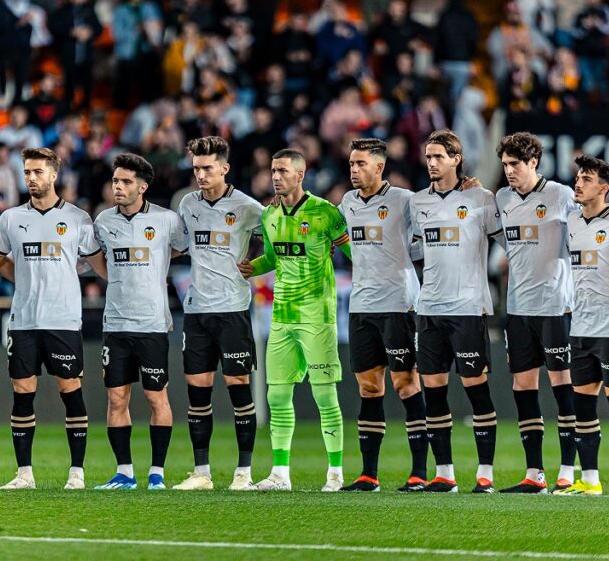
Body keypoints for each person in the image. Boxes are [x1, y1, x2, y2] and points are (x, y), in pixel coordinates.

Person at [0, 147, 106, 490]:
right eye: (27, 172)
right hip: (23, 321)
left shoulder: (78, 218)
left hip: (63, 320)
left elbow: (102, 268)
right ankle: (24, 474)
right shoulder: (11, 219)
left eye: (38, 172)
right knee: (22, 392)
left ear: (54, 174)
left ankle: (77, 473)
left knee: (70, 391)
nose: (31, 178)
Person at [238, 149, 352, 492]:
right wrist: (250, 268)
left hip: (317, 317)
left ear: (300, 175)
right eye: (273, 171)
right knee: (276, 397)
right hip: (282, 318)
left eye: (283, 171)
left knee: (325, 396)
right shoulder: (270, 214)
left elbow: (356, 253)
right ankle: (280, 474)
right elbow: (273, 258)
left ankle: (335, 473)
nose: (276, 177)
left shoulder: (325, 212)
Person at [408, 130, 501, 493]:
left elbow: (505, 241)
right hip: (429, 308)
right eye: (428, 157)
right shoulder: (418, 202)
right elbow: (417, 249)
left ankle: (485, 473)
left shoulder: (480, 198)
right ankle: (444, 473)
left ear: (456, 159)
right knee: (433, 391)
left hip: (468, 308)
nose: (431, 163)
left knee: (476, 389)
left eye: (438, 157)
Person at [336, 138, 427, 493]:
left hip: (398, 305)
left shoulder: (405, 201)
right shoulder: (348, 202)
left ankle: (419, 472)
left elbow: (430, 233)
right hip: (361, 307)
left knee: (406, 384)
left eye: (361, 164)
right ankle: (368, 475)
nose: (354, 170)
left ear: (379, 166)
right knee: (369, 387)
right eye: (351, 164)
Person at [172, 137, 263, 491]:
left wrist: (257, 265)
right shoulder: (187, 204)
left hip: (233, 309)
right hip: (197, 311)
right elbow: (180, 245)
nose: (200, 174)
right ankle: (202, 473)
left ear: (224, 168)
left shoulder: (247, 207)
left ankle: (243, 473)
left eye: (207, 168)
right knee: (198, 392)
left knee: (238, 389)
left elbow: (276, 238)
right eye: (196, 168)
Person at [91, 153, 187, 491]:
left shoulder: (166, 220)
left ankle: (157, 473)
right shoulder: (103, 221)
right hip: (116, 325)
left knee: (156, 397)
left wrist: (157, 263)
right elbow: (96, 258)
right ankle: (124, 473)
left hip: (152, 324)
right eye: (115, 180)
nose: (118, 186)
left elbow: (181, 248)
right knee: (117, 398)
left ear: (142, 187)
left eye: (126, 181)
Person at [494, 132, 578, 494]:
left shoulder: (561, 195)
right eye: (505, 165)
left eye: (515, 164)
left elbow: (588, 226)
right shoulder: (502, 199)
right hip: (518, 309)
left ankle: (569, 470)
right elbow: (505, 243)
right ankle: (534, 473)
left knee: (562, 385)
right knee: (523, 387)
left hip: (555, 307)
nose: (509, 171)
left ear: (533, 162)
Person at [554, 155, 609, 497]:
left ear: (603, 188)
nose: (578, 183)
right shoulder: (572, 221)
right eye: (578, 177)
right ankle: (589, 480)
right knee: (583, 406)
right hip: (581, 327)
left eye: (586, 179)